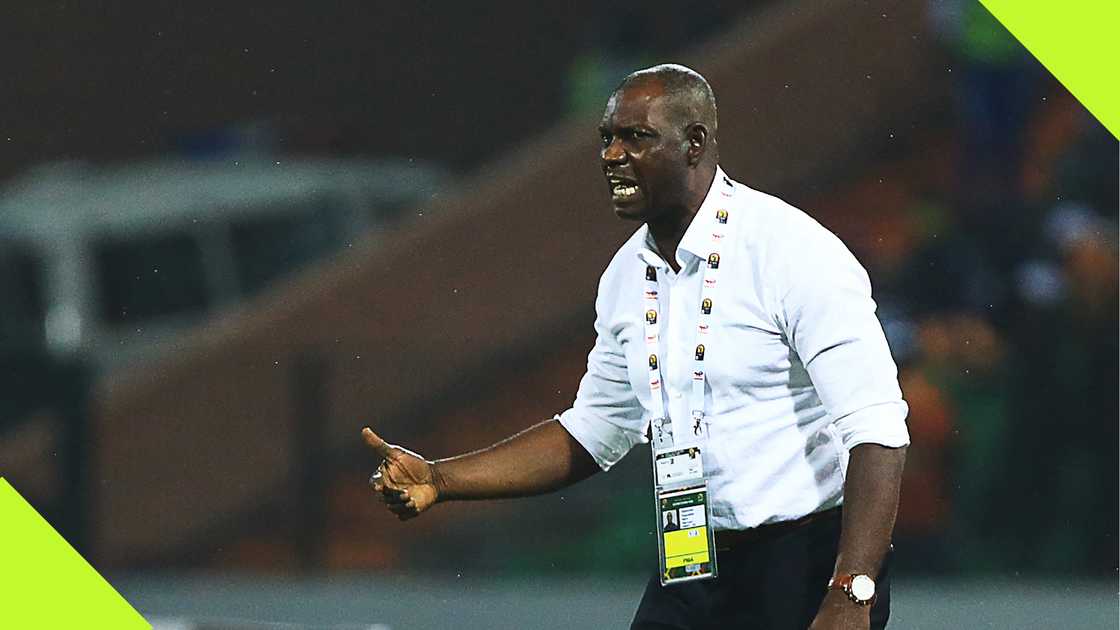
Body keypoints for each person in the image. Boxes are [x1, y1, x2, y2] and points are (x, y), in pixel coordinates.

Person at [363, 63, 909, 629]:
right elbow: (596, 429)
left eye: (636, 137)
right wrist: (440, 478)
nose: (611, 155)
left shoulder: (793, 253)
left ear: (694, 144)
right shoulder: (625, 276)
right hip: (691, 560)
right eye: (607, 138)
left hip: (805, 564)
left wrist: (852, 590)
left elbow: (877, 428)